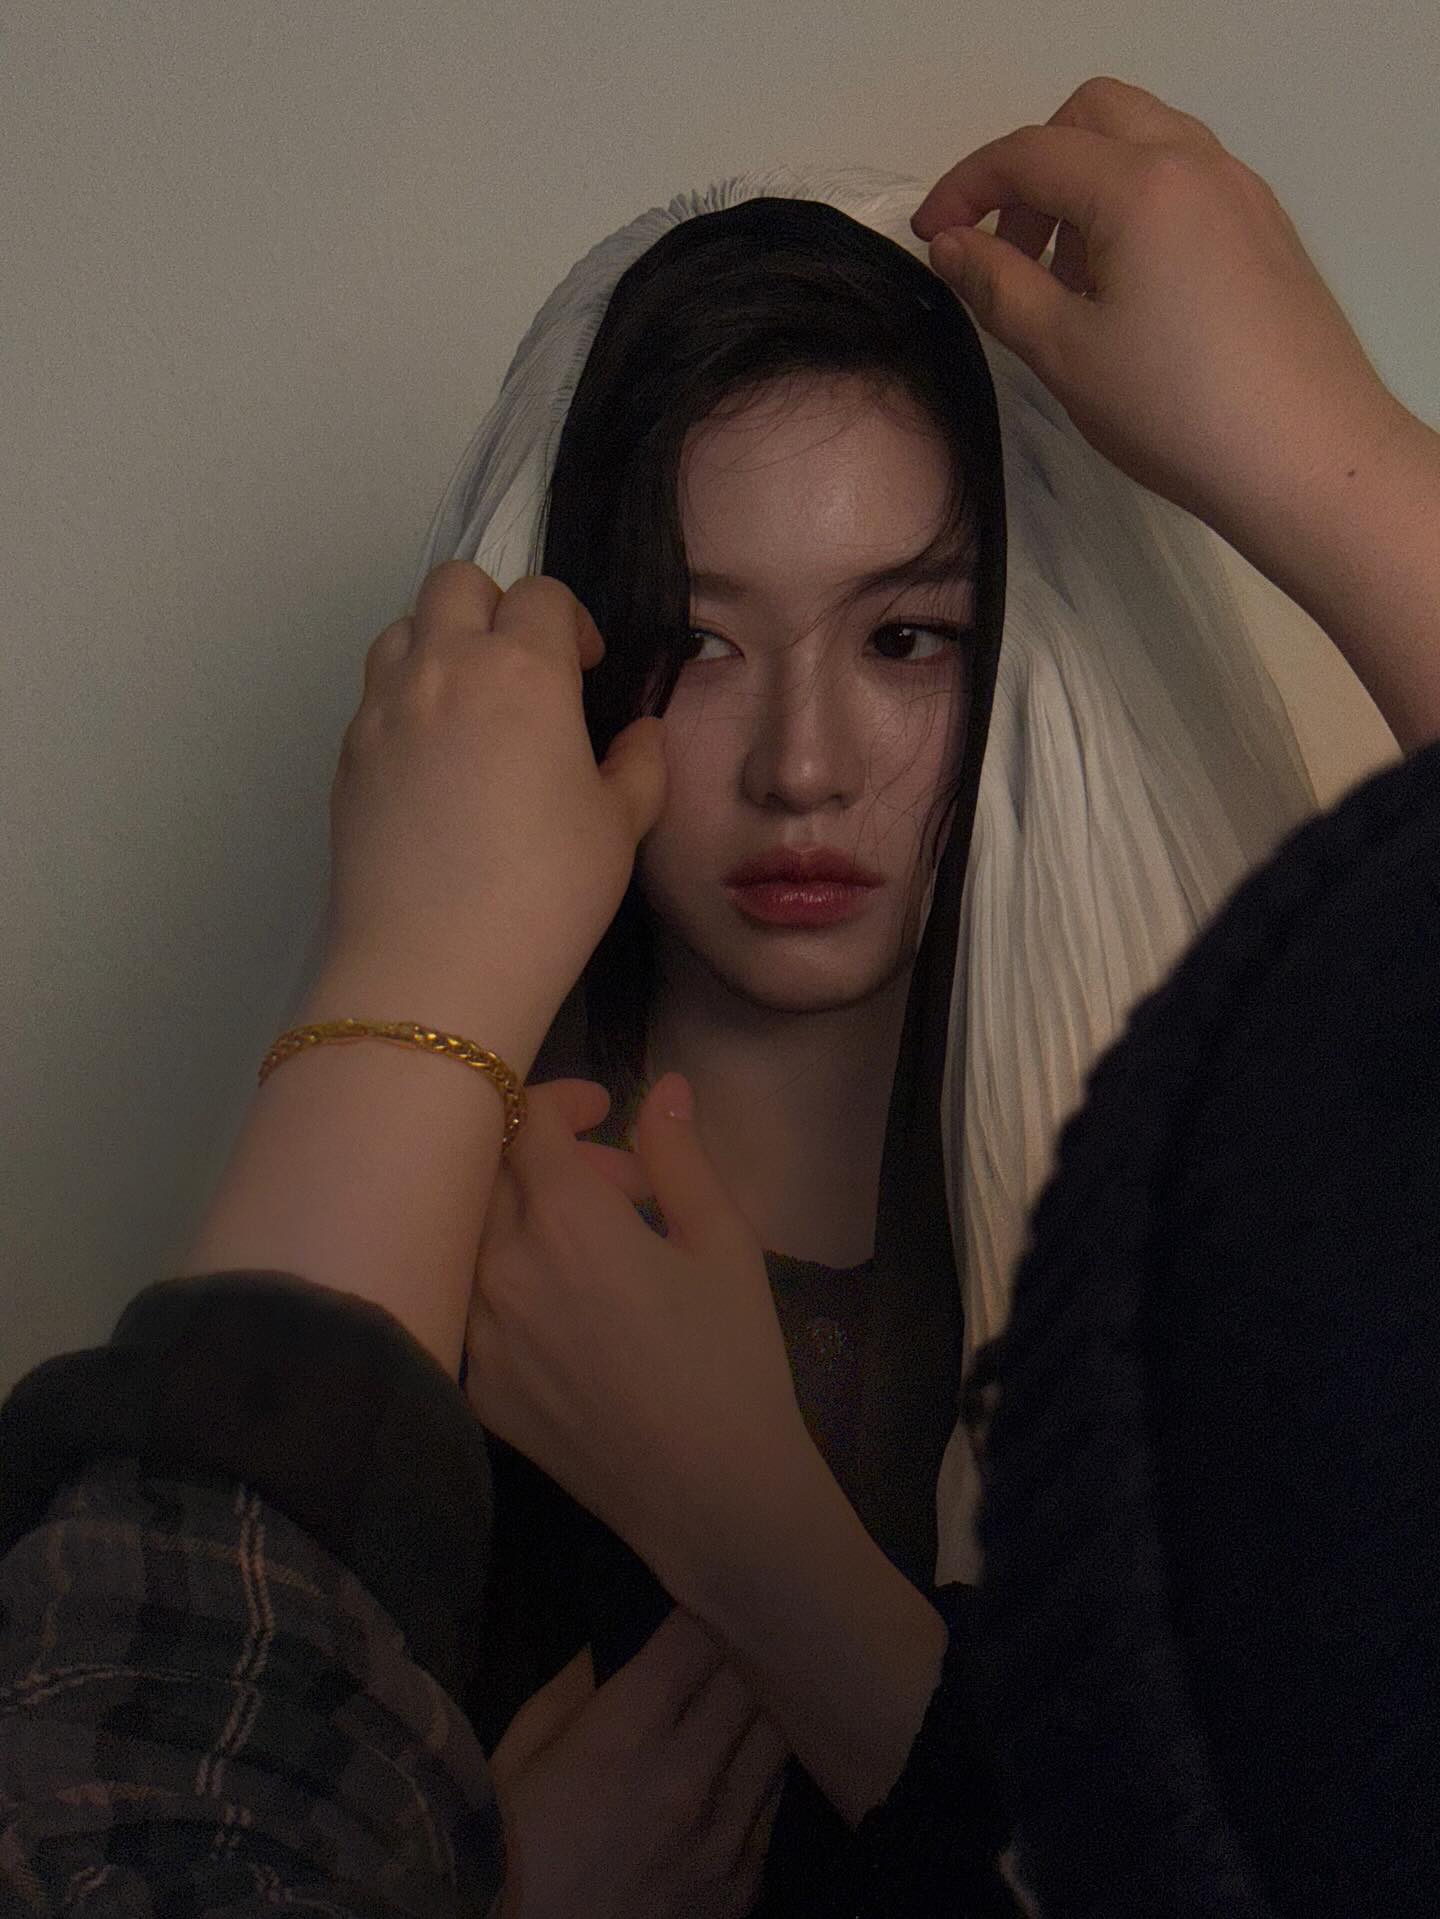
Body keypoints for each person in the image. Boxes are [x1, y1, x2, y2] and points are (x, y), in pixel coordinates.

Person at [2, 73, 1437, 1919]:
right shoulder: (407, 1309)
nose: (803, 768)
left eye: (905, 637)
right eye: (695, 644)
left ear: (1021, 653)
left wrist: (753, 1536)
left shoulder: (1240, 1271)